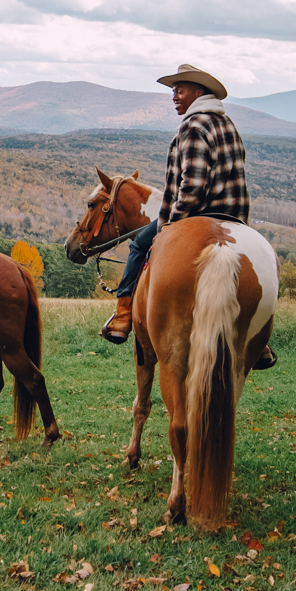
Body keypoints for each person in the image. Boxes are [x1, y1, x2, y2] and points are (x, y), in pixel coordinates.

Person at [101, 62, 273, 365]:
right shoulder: (228, 124)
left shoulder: (194, 127)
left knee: (140, 245)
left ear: (199, 91)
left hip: (198, 216)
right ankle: (258, 341)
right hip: (234, 219)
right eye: (173, 90)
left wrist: (169, 226)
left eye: (180, 89)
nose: (174, 95)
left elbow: (191, 187)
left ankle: (124, 314)